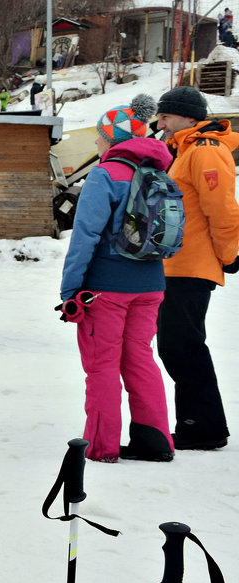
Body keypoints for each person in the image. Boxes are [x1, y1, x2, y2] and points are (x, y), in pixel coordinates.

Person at [58, 94, 174, 463]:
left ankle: (102, 445)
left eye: (99, 136)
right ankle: (155, 441)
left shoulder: (105, 174)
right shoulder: (158, 171)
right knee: (140, 359)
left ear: (112, 139)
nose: (96, 143)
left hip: (106, 289)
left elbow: (85, 237)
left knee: (102, 364)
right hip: (151, 285)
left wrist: (70, 289)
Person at [154, 85, 239, 450]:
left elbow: (221, 208)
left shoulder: (206, 151)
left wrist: (230, 254)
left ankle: (201, 428)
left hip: (192, 266)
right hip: (177, 265)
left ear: (189, 116)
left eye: (166, 116)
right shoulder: (185, 150)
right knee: (177, 346)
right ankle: (198, 424)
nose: (161, 123)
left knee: (183, 347)